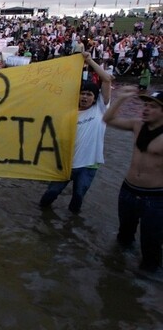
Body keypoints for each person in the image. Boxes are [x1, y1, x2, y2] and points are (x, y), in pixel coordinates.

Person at [39, 52, 113, 214]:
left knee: (77, 198)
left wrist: (89, 60)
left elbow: (107, 79)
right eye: (82, 94)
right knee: (49, 195)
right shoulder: (68, 113)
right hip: (66, 163)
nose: (85, 97)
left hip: (88, 165)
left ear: (95, 98)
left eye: (89, 94)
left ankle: (70, 224)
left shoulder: (100, 109)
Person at [103, 88, 163, 272]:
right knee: (124, 236)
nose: (145, 109)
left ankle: (146, 283)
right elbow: (108, 119)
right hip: (128, 190)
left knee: (151, 242)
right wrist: (121, 99)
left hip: (155, 197)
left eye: (152, 107)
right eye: (145, 104)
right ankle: (117, 271)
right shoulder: (137, 125)